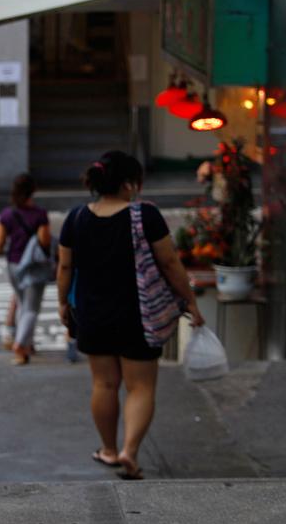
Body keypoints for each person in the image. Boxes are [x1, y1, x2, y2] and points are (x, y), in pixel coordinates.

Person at [56, 151, 205, 480]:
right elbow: (169, 263)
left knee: (104, 384)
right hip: (139, 315)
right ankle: (130, 451)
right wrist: (190, 301)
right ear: (128, 184)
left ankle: (108, 450)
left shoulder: (76, 218)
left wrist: (63, 304)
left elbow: (65, 267)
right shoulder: (145, 216)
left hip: (93, 315)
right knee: (140, 387)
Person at [0, 173, 50, 364]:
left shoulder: (7, 215)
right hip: (33, 268)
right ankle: (20, 345)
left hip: (13, 266)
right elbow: (45, 241)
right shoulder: (40, 215)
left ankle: (26, 343)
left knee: (21, 302)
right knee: (31, 309)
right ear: (32, 191)